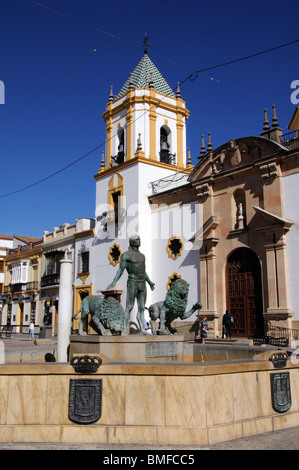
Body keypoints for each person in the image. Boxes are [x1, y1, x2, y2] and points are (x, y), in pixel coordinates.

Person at [107, 234, 155, 335]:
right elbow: (120, 270)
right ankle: (123, 328)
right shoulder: (126, 255)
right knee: (129, 306)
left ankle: (142, 328)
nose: (139, 241)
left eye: (139, 239)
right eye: (137, 240)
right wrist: (114, 281)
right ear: (132, 242)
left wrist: (149, 282)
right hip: (132, 282)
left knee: (142, 308)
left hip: (142, 283)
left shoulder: (142, 256)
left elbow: (143, 271)